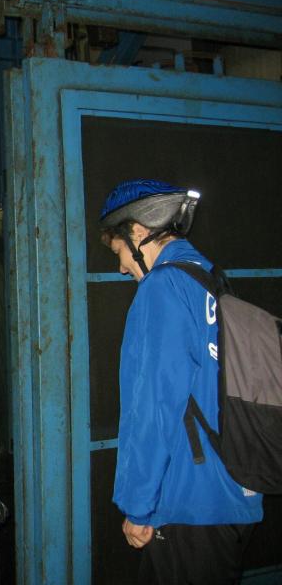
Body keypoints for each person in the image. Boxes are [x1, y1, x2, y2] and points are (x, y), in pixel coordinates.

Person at [99, 179, 263, 584]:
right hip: (235, 489)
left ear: (138, 232)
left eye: (119, 252)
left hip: (189, 501)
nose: (121, 267)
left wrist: (138, 506)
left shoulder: (162, 287)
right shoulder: (211, 280)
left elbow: (152, 406)